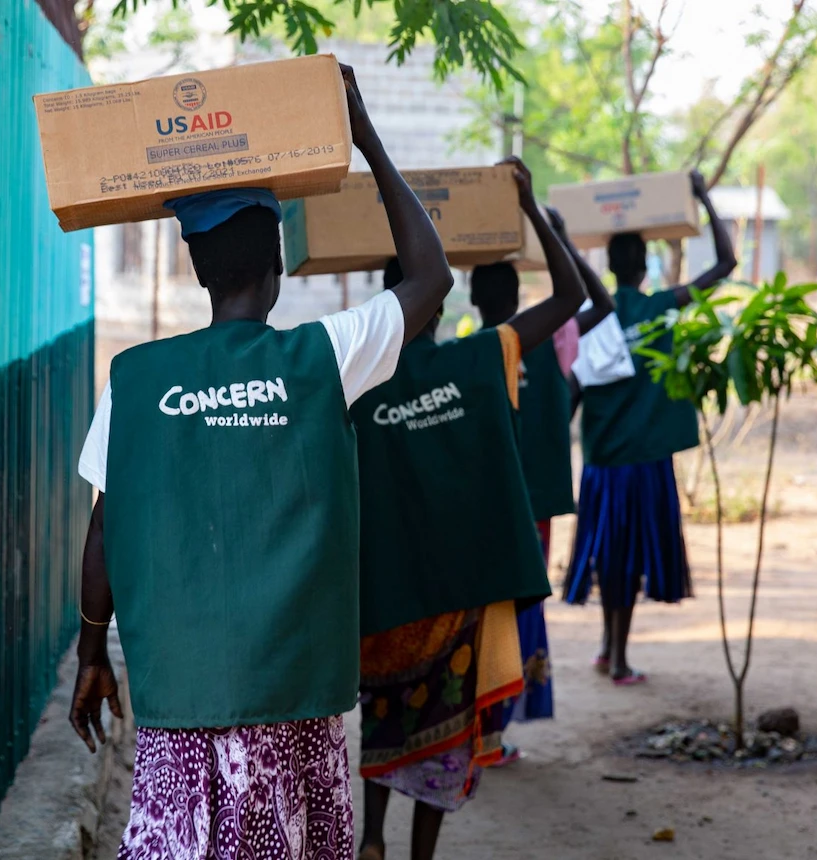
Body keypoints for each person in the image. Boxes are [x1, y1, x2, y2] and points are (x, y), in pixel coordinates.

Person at [68, 64, 454, 860]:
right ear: (278, 264)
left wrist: (89, 654)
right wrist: (363, 132)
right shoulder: (326, 356)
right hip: (293, 699)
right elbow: (430, 279)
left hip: (180, 701)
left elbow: (105, 533)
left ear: (198, 270)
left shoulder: (134, 381)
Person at [352, 156, 586, 860]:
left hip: (384, 599)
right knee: (445, 738)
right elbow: (570, 295)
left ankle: (370, 839)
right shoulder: (482, 359)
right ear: (439, 304)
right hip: (457, 601)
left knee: (382, 723)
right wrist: (532, 207)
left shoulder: (353, 382)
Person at [563, 170, 737, 685]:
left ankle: (605, 650)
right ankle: (617, 660)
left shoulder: (592, 319)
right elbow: (726, 263)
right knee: (629, 560)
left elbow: (571, 391)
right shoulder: (661, 308)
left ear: (612, 269)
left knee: (610, 558)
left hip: (602, 462)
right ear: (645, 267)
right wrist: (703, 195)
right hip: (644, 462)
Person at [470, 209, 615, 761]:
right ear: (518, 296)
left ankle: (482, 731)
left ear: (472, 296)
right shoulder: (551, 340)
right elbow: (600, 305)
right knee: (519, 614)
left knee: (484, 615)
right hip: (531, 511)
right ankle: (494, 732)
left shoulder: (472, 353)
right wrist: (560, 237)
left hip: (487, 511)